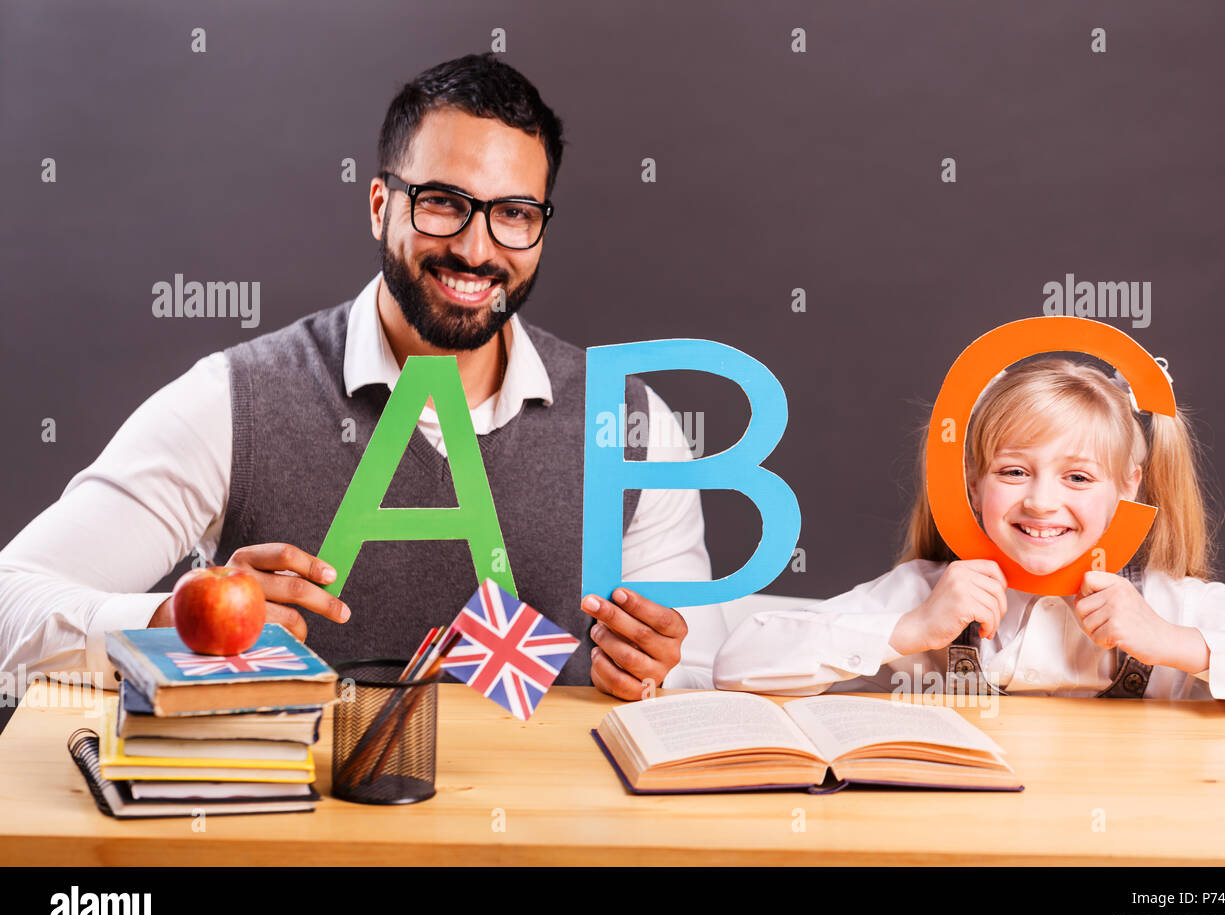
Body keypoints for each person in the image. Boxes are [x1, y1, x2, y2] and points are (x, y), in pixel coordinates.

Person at [0, 53, 726, 702]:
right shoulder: (235, 402)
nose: (476, 249)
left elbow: (697, 670)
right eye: (443, 201)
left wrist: (663, 664)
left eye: (513, 213)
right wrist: (172, 621)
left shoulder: (629, 424)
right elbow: (8, 603)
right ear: (381, 206)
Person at [714, 357, 1225, 718]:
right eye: (1014, 472)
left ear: (1129, 488)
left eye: (1078, 477)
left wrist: (1176, 644)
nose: (1042, 501)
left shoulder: (1172, 605)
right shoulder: (929, 594)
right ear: (973, 484)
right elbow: (738, 663)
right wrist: (910, 629)